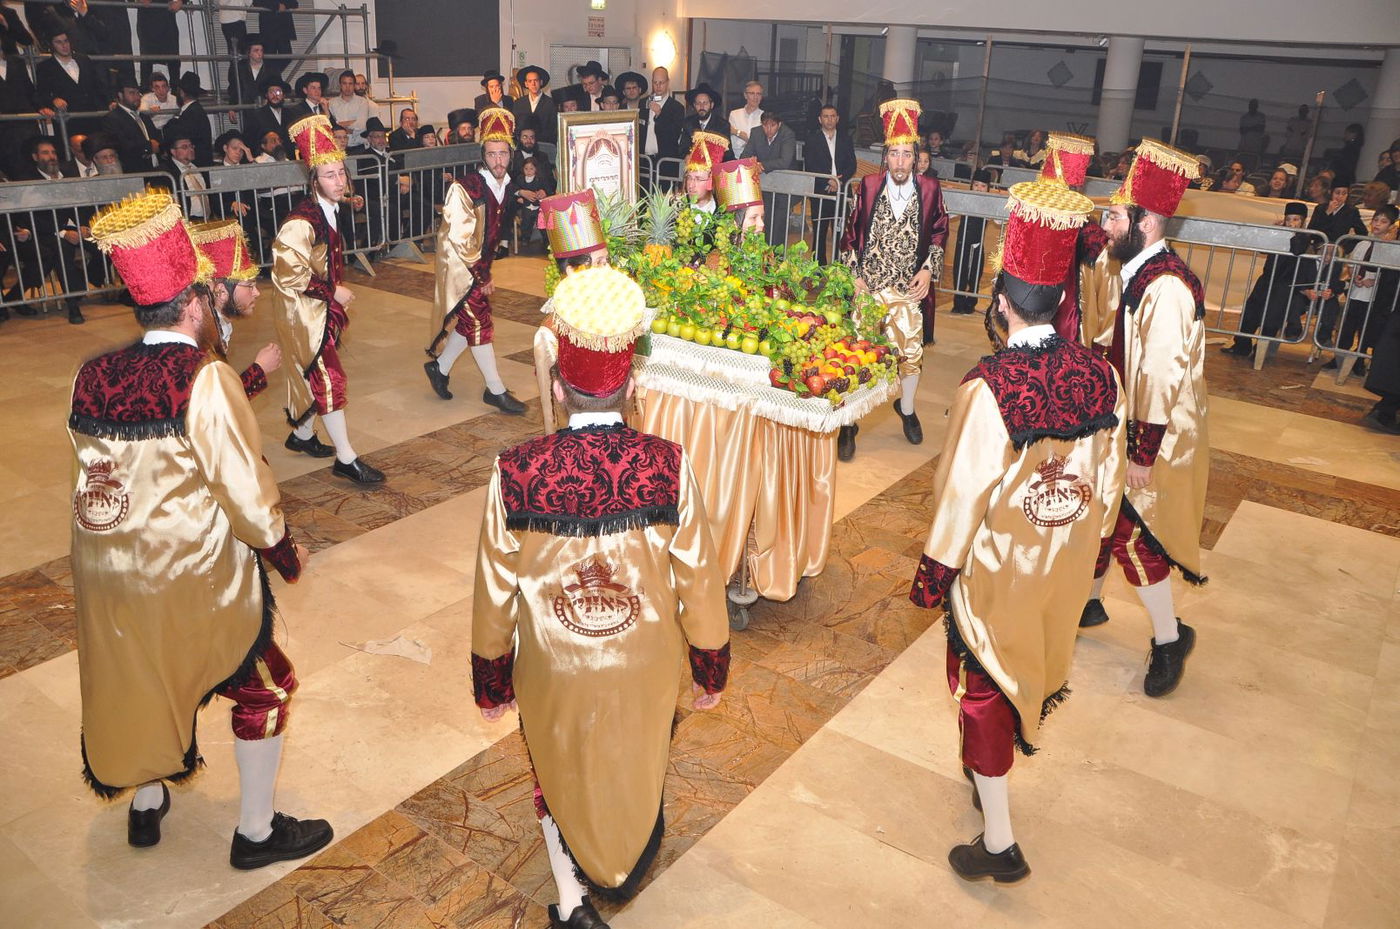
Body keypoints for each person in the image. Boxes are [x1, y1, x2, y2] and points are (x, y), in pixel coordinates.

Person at [74, 189, 331, 868]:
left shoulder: (91, 375)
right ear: (191, 303)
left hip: (110, 571)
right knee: (265, 685)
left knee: (145, 675)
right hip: (189, 573)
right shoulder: (203, 376)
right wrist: (283, 551)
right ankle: (255, 832)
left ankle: (146, 800)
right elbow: (244, 491)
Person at [472, 266, 730, 928]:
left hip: (554, 665)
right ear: (633, 380)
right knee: (635, 746)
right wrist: (710, 664)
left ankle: (570, 899)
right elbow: (699, 576)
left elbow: (494, 589)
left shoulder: (515, 471)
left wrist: (491, 680)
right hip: (643, 658)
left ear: (558, 385)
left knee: (553, 763)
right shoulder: (671, 466)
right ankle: (626, 836)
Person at [910, 179, 1124, 884]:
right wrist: (1087, 551)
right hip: (1063, 564)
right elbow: (1111, 480)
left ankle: (999, 842)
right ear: (1063, 299)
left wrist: (934, 571)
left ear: (1002, 301)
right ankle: (987, 775)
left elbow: (961, 494)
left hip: (1000, 570)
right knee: (1022, 671)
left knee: (982, 687)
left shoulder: (989, 386)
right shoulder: (1102, 378)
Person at [1084, 138, 1208, 699]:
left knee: (1134, 535)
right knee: (1107, 517)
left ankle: (1168, 638)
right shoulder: (1137, 269)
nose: (1105, 225)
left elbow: (1159, 377)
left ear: (1147, 222)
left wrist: (1140, 453)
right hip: (1131, 423)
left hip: (1158, 435)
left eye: (1113, 215)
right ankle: (1087, 600)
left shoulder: (1168, 288)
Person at [272, 114, 385, 484]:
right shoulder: (302, 221)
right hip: (302, 311)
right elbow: (287, 272)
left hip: (320, 306)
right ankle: (346, 458)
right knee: (328, 376)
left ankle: (301, 435)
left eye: (341, 173)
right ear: (313, 180)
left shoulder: (332, 210)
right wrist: (332, 290)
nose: (339, 182)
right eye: (330, 176)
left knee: (313, 376)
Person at [835, 98, 949, 461]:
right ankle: (848, 423)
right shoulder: (867, 186)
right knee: (856, 353)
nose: (900, 162)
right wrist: (853, 276)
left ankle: (909, 408)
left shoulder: (930, 190)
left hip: (907, 290)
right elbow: (850, 235)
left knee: (910, 355)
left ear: (917, 157)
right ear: (885, 156)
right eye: (894, 154)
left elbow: (939, 233)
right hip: (868, 287)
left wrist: (929, 269)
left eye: (906, 154)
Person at [423, 107, 525, 413]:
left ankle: (439, 367)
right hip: (461, 268)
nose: (498, 160)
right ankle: (494, 390)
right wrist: (482, 275)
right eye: (491, 154)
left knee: (470, 324)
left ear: (511, 154)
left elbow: (493, 230)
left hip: (479, 265)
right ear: (482, 154)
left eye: (503, 154)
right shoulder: (466, 188)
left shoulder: (506, 186)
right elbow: (461, 238)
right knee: (481, 323)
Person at [190, 217, 282, 398]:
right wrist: (259, 369)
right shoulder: (201, 334)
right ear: (222, 291)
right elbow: (218, 402)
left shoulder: (217, 322)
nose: (257, 293)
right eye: (249, 285)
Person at [1221, 201, 1314, 358]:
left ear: (1303, 221)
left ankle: (1260, 352)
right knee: (1251, 312)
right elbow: (1263, 248)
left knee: (1272, 318)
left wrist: (1289, 234)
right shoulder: (1278, 232)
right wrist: (1273, 232)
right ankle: (1241, 346)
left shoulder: (1304, 237)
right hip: (1267, 278)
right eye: (1289, 219)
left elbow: (1297, 249)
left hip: (1285, 283)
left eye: (1296, 220)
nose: (1292, 223)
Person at [1325, 204, 1399, 375]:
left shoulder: (1392, 248)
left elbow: (1390, 272)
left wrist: (1374, 280)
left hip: (1375, 297)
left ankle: (1359, 360)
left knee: (1366, 329)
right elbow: (1352, 264)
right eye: (1375, 220)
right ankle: (1338, 358)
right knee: (1346, 327)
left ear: (1391, 226)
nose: (1377, 224)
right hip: (1356, 292)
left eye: (1383, 221)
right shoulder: (1363, 243)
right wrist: (1355, 275)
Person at [803, 103, 856, 264]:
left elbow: (852, 164)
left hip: (842, 191)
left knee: (840, 231)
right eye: (826, 116)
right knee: (820, 231)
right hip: (821, 190)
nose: (829, 119)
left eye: (832, 116)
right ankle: (818, 267)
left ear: (837, 118)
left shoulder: (845, 139)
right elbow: (810, 164)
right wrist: (829, 180)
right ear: (820, 119)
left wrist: (838, 181)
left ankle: (839, 266)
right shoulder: (812, 140)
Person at [35, 27, 108, 133]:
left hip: (92, 118)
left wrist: (109, 101)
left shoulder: (84, 60)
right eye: (58, 42)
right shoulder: (45, 67)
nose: (64, 45)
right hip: (68, 122)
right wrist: (53, 100)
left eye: (66, 41)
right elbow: (41, 93)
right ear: (51, 45)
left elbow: (98, 85)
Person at [950, 169, 994, 315]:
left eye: (982, 186)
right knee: (959, 272)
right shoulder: (966, 200)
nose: (979, 189)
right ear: (971, 186)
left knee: (976, 273)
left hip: (977, 244)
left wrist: (997, 206)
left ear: (988, 188)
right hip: (962, 243)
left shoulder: (988, 204)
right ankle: (958, 303)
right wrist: (952, 198)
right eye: (976, 185)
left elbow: (999, 221)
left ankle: (970, 303)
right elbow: (950, 214)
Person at [102, 75, 161, 173]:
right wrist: (148, 147)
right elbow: (121, 146)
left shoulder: (144, 116)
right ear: (120, 95)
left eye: (138, 93)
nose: (137, 97)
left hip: (155, 168)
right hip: (133, 171)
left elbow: (156, 138)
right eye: (131, 93)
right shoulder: (112, 119)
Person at [639, 66, 684, 174]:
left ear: (668, 82)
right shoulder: (643, 102)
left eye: (661, 82)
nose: (658, 86)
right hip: (644, 162)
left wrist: (659, 114)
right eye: (655, 82)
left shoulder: (677, 107)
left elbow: (673, 136)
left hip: (665, 164)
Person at [163, 71, 213, 166]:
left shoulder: (191, 114)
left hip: (195, 166)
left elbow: (177, 135)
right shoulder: (195, 111)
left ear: (181, 92)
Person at [226, 32, 283, 112]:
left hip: (268, 110)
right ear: (248, 53)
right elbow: (234, 88)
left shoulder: (272, 68)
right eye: (256, 50)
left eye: (261, 50)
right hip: (248, 110)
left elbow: (278, 87)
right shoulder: (239, 68)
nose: (260, 53)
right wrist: (232, 106)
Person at [135, 0, 181, 88]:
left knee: (173, 57)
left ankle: (176, 92)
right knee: (146, 58)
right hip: (147, 19)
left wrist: (181, 1)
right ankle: (145, 91)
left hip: (167, 19)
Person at [680, 82, 731, 162]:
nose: (701, 107)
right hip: (693, 168)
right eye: (698, 103)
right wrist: (687, 155)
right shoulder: (688, 123)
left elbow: (728, 154)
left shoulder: (722, 125)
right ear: (694, 105)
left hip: (715, 169)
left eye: (705, 103)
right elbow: (683, 148)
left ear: (712, 105)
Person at [244, 77, 293, 151]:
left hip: (289, 158)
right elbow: (251, 140)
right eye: (271, 92)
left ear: (283, 95)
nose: (275, 96)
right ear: (266, 95)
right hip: (267, 158)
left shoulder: (291, 114)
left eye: (278, 92)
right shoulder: (256, 115)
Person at [512, 64, 556, 145]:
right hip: (523, 148)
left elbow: (553, 130)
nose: (533, 84)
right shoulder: (518, 104)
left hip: (544, 147)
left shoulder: (551, 104)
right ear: (526, 84)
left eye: (536, 80)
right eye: (530, 81)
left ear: (541, 82)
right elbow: (515, 128)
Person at [328, 69, 373, 146]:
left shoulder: (362, 102)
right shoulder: (332, 103)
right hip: (338, 147)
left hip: (358, 145)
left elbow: (362, 126)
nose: (347, 87)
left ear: (354, 85)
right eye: (344, 83)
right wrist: (352, 123)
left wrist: (339, 124)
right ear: (340, 85)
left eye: (350, 83)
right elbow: (332, 127)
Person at [728, 80, 763, 155]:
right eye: (752, 93)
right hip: (736, 157)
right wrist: (741, 134)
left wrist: (740, 135)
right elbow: (733, 142)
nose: (755, 97)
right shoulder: (734, 114)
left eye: (758, 94)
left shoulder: (764, 117)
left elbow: (761, 144)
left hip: (756, 159)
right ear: (745, 95)